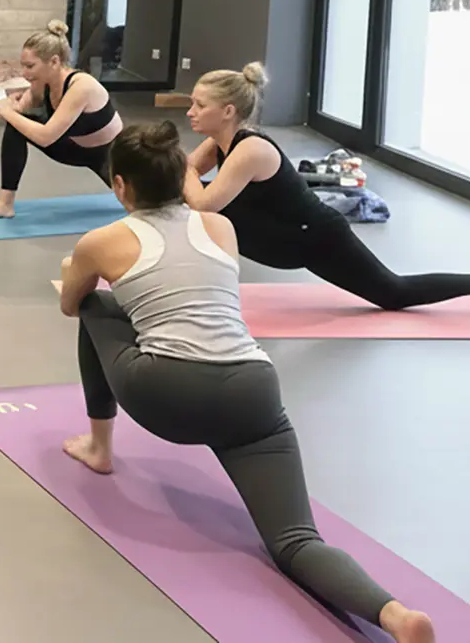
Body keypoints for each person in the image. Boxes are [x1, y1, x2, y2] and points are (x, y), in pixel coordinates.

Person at [57, 123, 437, 643]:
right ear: (181, 176)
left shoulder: (100, 242)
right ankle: (393, 615)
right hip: (253, 389)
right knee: (296, 540)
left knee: (95, 304)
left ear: (120, 186)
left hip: (166, 393)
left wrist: (77, 268)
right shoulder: (220, 229)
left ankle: (100, 446)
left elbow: (68, 302)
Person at [183, 64, 470, 313]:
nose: (190, 112)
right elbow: (189, 173)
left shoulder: (250, 149)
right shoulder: (220, 142)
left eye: (199, 105)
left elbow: (201, 201)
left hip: (316, 237)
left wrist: (179, 167)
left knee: (393, 293)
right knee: (199, 201)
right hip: (283, 234)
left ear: (227, 112)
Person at [0, 21, 123, 222]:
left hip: (109, 154)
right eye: (23, 66)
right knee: (16, 127)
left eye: (30, 66)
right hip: (71, 149)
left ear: (53, 62)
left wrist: (7, 111)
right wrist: (8, 105)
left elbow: (45, 137)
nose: (25, 73)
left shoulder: (81, 86)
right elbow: (5, 117)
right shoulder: (40, 84)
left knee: (147, 205)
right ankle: (5, 204)